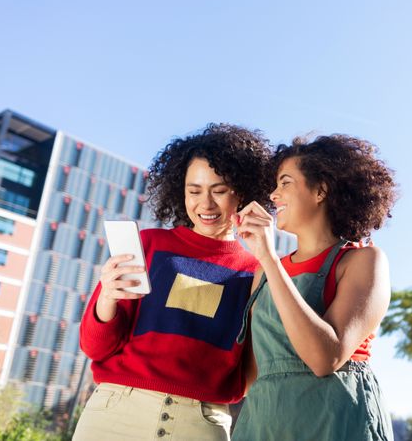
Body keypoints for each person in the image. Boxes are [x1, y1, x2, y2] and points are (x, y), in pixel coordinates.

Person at [73, 124, 272, 441]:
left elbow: (250, 374)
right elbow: (94, 348)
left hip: (199, 424)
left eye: (218, 190)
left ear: (243, 193)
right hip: (114, 414)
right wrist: (107, 298)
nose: (205, 204)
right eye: (194, 191)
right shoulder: (148, 245)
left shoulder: (257, 272)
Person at [232, 134, 398, 441]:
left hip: (336, 423)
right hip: (264, 425)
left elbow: (325, 358)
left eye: (285, 183)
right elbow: (250, 378)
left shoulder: (363, 261)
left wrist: (269, 258)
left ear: (320, 190)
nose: (274, 195)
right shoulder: (264, 273)